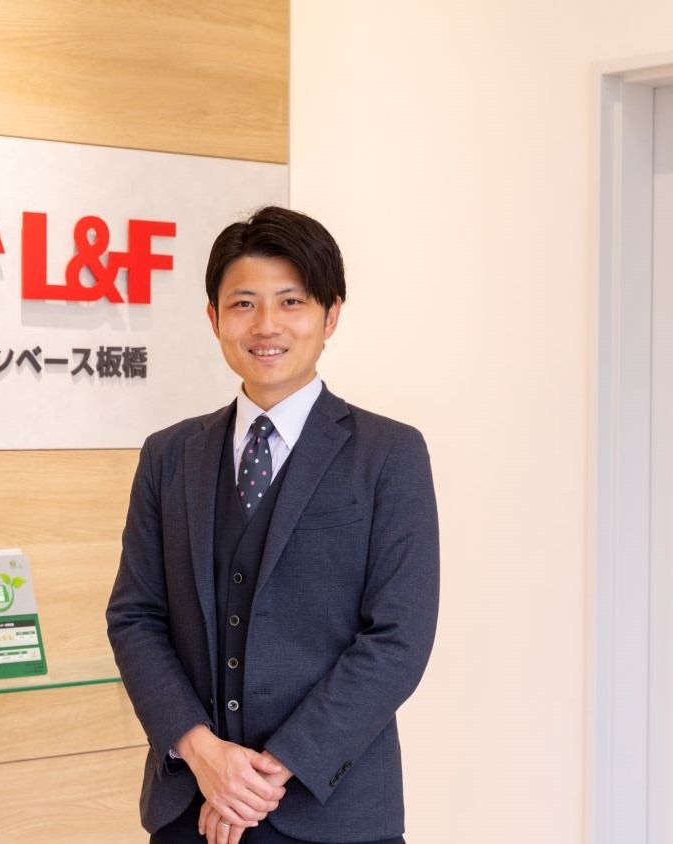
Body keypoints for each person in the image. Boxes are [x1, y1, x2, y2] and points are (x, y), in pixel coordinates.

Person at [107, 206, 438, 844]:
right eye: (244, 304)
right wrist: (203, 753)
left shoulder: (388, 454)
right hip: (190, 807)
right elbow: (135, 617)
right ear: (213, 318)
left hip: (332, 812)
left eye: (291, 302)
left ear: (330, 315)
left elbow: (398, 637)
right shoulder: (168, 455)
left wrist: (266, 776)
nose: (266, 326)